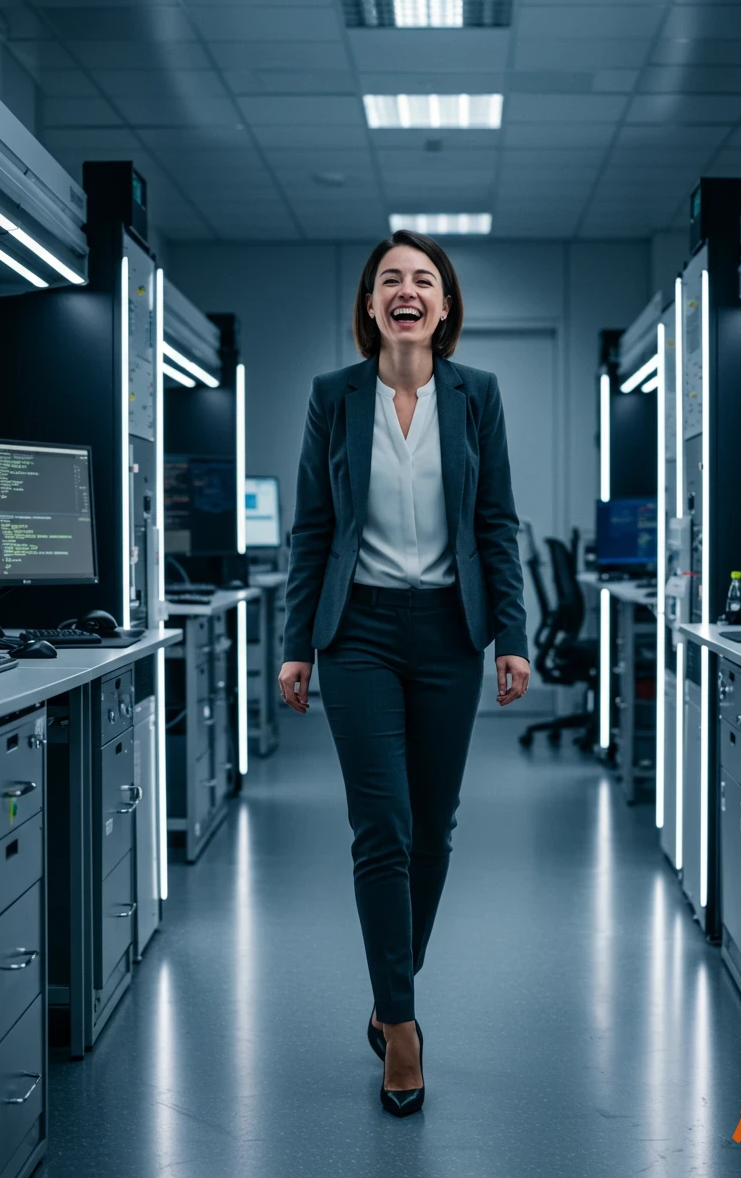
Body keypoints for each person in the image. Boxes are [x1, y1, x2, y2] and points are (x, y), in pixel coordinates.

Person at [278, 230, 530, 1117]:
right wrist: (296, 643)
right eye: (391, 279)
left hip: (450, 635)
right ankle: (404, 1026)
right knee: (380, 825)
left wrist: (512, 634)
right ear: (372, 306)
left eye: (424, 279)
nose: (407, 290)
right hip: (361, 634)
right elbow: (313, 528)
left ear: (446, 307)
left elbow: (496, 524)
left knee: (433, 831)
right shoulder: (333, 398)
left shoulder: (478, 397)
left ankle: (389, 992)